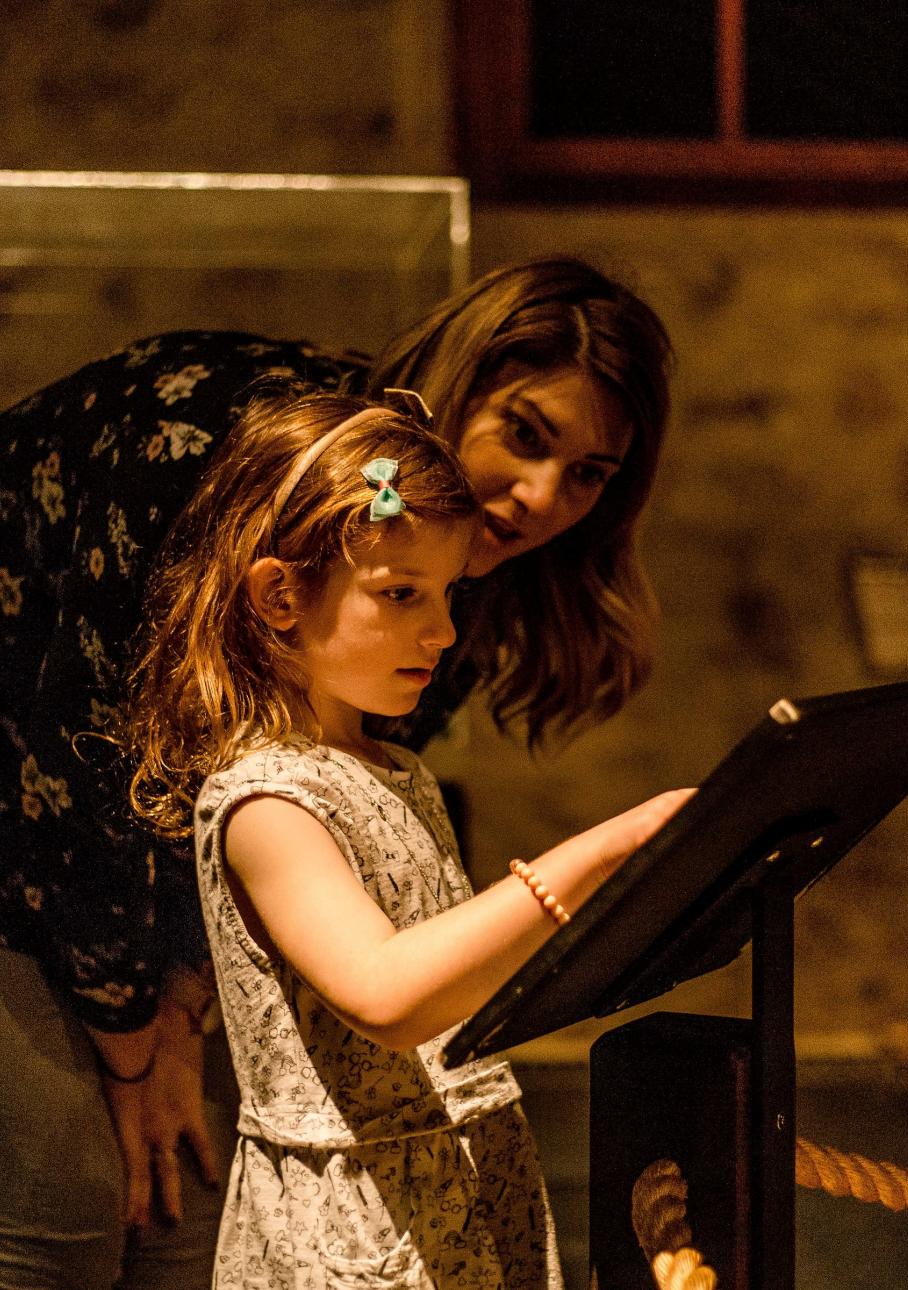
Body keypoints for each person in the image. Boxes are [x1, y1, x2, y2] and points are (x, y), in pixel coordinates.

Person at [0, 257, 672, 1289]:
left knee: (180, 1210)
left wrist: (176, 1005)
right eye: (526, 434)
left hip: (140, 859)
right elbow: (89, 772)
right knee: (67, 1205)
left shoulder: (439, 564)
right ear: (276, 595)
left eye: (588, 473)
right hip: (41, 798)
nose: (540, 497)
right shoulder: (263, 482)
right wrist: (135, 1047)